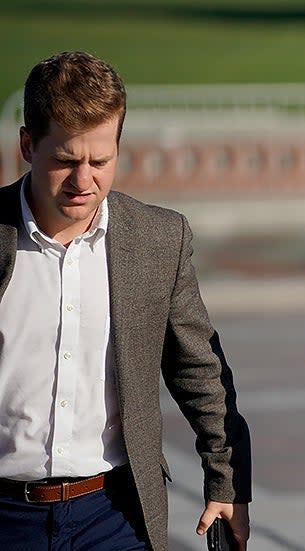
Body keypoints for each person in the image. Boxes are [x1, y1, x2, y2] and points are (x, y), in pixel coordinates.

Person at [0, 51, 251, 550]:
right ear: (27, 145)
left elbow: (199, 371)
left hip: (114, 515)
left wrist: (227, 483)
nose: (83, 181)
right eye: (66, 161)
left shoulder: (158, 239)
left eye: (101, 161)